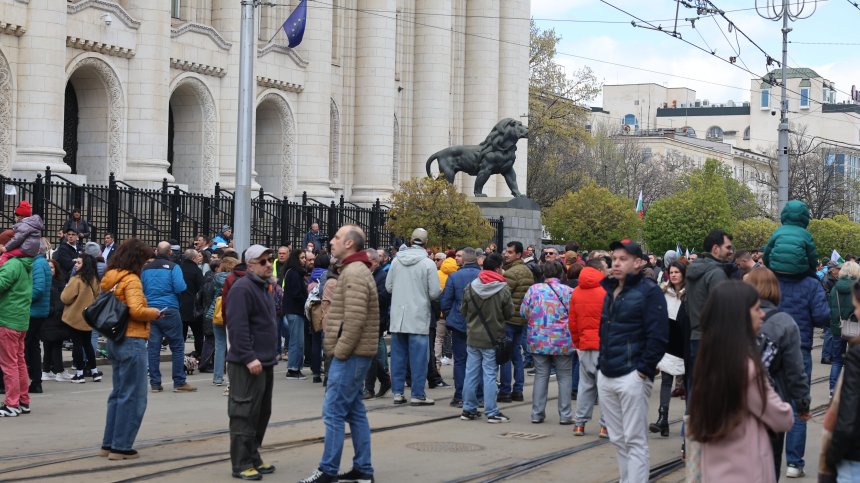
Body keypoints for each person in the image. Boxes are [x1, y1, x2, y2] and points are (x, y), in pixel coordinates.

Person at [687, 281, 794, 482]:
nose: (762, 314)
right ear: (740, 316)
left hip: (715, 471)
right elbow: (781, 418)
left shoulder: (708, 360)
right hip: (746, 470)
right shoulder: (746, 368)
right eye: (756, 309)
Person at [298, 226, 379, 483]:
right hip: (353, 353)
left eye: (336, 238)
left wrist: (339, 352)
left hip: (351, 354)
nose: (331, 242)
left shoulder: (354, 272)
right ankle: (363, 469)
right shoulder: (353, 270)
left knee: (333, 410)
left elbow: (354, 320)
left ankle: (328, 470)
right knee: (354, 410)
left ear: (350, 244)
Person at [597, 239, 668, 482]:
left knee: (634, 440)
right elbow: (605, 329)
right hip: (607, 372)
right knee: (618, 439)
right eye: (614, 258)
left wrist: (642, 371)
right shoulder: (610, 289)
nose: (616, 263)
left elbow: (659, 336)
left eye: (623, 259)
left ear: (638, 263)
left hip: (632, 375)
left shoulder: (649, 292)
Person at [744, 267, 811, 477]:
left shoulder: (732, 317)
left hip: (736, 403)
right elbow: (795, 370)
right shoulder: (784, 323)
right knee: (769, 465)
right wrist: (802, 404)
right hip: (771, 402)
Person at [100, 239, 163, 459]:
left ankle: (108, 443)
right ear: (137, 259)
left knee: (118, 393)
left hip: (114, 339)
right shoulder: (132, 280)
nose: (145, 265)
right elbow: (136, 310)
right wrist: (154, 312)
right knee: (134, 396)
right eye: (144, 260)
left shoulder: (110, 277)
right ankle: (121, 446)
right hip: (132, 339)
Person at [225, 245, 278, 481]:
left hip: (264, 361)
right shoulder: (242, 288)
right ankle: (241, 463)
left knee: (261, 413)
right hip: (247, 363)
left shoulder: (264, 287)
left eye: (269, 260)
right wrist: (248, 357)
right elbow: (237, 327)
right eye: (263, 261)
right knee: (243, 412)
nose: (268, 264)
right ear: (250, 265)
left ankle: (253, 456)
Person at [776, 258, 830, 478]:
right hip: (800, 347)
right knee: (799, 405)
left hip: (773, 346)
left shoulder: (772, 280)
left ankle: (769, 457)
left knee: (771, 401)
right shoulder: (811, 284)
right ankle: (794, 463)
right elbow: (822, 316)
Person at [385, 228, 441, 406]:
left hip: (398, 316)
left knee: (398, 356)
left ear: (410, 241)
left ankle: (397, 392)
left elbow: (389, 287)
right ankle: (417, 393)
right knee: (418, 358)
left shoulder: (396, 261)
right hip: (418, 315)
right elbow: (433, 293)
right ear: (425, 243)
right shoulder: (428, 263)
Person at [459, 253, 514, 423]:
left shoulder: (470, 287)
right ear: (498, 268)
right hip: (492, 337)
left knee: (471, 373)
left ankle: (468, 408)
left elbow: (463, 310)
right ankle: (491, 411)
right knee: (489, 374)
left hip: (473, 336)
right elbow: (509, 313)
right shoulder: (503, 288)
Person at [521, 261, 575, 424]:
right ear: (561, 274)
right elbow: (574, 314)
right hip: (562, 340)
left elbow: (524, 312)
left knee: (541, 375)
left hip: (539, 339)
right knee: (565, 377)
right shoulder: (568, 291)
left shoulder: (534, 289)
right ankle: (565, 415)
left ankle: (537, 413)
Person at [685, 230, 733, 394]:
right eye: (728, 247)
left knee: (696, 391)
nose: (731, 251)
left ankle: (690, 420)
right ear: (715, 249)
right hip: (713, 340)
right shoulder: (716, 274)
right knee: (713, 396)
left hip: (695, 337)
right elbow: (723, 311)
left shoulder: (695, 269)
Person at [141, 242, 193, 393]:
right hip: (169, 309)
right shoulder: (173, 267)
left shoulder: (145, 269)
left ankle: (155, 383)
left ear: (157, 251)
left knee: (153, 347)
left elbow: (141, 288)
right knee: (177, 347)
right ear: (170, 252)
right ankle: (179, 382)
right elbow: (180, 287)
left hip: (151, 310)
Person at [569, 257, 609, 437]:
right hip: (604, 345)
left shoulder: (576, 291)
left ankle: (580, 424)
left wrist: (577, 343)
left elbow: (573, 322)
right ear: (600, 270)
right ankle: (605, 426)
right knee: (605, 387)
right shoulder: (607, 291)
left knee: (586, 385)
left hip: (584, 344)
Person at [824, 289, 860, 480]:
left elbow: (848, 414)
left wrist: (832, 455)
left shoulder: (857, 355)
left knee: (837, 361)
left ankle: (831, 386)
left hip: (854, 456)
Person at [650, 261, 688, 437]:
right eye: (671, 272)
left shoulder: (690, 293)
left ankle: (688, 423)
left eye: (677, 272)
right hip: (668, 339)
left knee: (688, 383)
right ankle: (662, 418)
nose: (673, 275)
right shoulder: (664, 291)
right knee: (666, 380)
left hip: (685, 340)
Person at [440, 247, 481, 408]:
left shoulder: (454, 277)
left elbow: (445, 301)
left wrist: (452, 316)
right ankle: (479, 394)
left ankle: (459, 396)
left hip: (459, 323)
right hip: (479, 324)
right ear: (477, 259)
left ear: (463, 260)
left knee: (460, 361)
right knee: (479, 360)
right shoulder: (482, 276)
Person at [0, 239, 34, 417]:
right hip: (20, 319)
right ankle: (22, 400)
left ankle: (11, 403)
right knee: (19, 361)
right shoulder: (26, 263)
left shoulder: (12, 264)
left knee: (9, 364)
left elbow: (1, 284)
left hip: (8, 319)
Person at [498, 241, 534, 403]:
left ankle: (505, 390)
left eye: (510, 252)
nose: (506, 254)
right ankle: (518, 390)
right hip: (521, 319)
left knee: (505, 356)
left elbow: (502, 296)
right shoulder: (527, 271)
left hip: (509, 318)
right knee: (516, 356)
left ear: (519, 255)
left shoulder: (511, 273)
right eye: (506, 251)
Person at [60, 255, 103, 383]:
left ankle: (79, 374)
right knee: (87, 344)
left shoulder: (76, 279)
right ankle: (94, 371)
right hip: (88, 317)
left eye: (79, 262)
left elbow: (65, 298)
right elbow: (97, 296)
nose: (76, 264)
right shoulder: (95, 279)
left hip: (75, 317)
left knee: (77, 345)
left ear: (84, 265)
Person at [828, 261, 860, 396]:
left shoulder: (835, 288)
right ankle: (852, 390)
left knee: (837, 360)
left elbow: (830, 307)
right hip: (855, 329)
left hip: (838, 328)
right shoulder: (857, 287)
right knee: (855, 361)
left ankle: (832, 390)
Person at [763, 200, 818, 277]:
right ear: (805, 217)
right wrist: (813, 268)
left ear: (784, 214)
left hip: (776, 270)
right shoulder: (806, 235)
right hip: (798, 272)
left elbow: (766, 253)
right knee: (816, 280)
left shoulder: (777, 231)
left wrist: (768, 266)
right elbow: (812, 257)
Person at [364, 248, 392, 398]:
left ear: (375, 261)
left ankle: (369, 388)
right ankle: (385, 380)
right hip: (365, 319)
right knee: (371, 354)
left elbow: (383, 298)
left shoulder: (382, 276)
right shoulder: (368, 275)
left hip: (376, 320)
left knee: (369, 354)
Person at [25, 238, 51, 394]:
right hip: (38, 311)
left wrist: (24, 298)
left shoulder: (38, 264)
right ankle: (36, 380)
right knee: (32, 346)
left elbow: (39, 289)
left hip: (34, 311)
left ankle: (34, 380)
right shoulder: (41, 263)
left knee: (26, 346)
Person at [282, 248, 309, 380]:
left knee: (297, 340)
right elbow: (296, 294)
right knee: (296, 341)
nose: (304, 260)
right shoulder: (294, 274)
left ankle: (295, 367)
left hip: (293, 310)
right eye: (302, 258)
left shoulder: (292, 272)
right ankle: (293, 369)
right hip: (295, 310)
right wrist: (306, 302)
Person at [0, 201, 42, 268]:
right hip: (33, 250)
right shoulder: (33, 223)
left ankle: (3, 269)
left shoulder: (25, 225)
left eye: (16, 215)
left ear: (20, 216)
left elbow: (17, 238)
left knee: (5, 254)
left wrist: (6, 248)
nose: (15, 217)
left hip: (26, 249)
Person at [178, 249, 204, 357]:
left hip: (180, 306)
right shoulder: (196, 270)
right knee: (198, 334)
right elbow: (201, 288)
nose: (199, 258)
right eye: (198, 256)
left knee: (181, 336)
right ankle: (199, 355)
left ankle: (179, 357)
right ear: (193, 258)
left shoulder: (178, 268)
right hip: (194, 307)